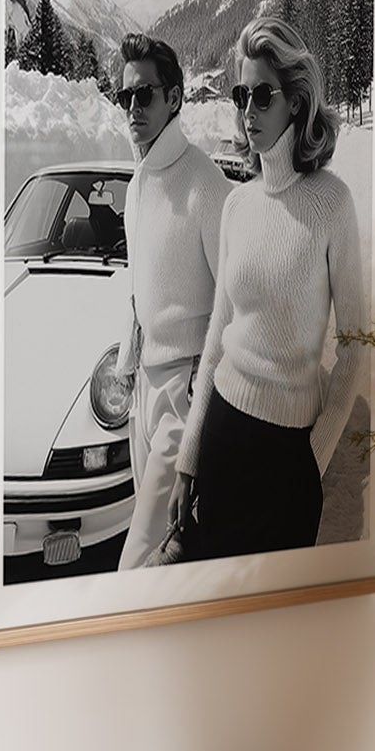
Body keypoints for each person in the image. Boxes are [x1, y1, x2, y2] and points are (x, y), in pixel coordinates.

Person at [171, 16, 363, 560]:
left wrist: (315, 456)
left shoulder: (332, 203)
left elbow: (355, 344)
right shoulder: (237, 204)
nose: (247, 112)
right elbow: (218, 336)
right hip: (223, 436)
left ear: (296, 103)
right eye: (241, 94)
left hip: (288, 456)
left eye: (262, 96)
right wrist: (189, 459)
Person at [112, 33, 230, 569]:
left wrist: (203, 386)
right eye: (125, 97)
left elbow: (236, 299)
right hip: (143, 388)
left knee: (136, 560)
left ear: (175, 99)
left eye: (145, 95)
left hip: (184, 394)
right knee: (160, 552)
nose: (133, 108)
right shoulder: (137, 183)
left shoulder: (206, 185)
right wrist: (127, 360)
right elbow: (141, 285)